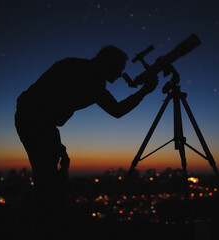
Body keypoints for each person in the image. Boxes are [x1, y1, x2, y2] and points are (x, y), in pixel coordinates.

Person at [15, 46, 158, 204]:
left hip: (40, 122)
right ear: (108, 63)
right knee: (47, 177)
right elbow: (117, 110)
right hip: (36, 121)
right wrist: (145, 91)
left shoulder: (80, 70)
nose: (119, 75)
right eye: (118, 69)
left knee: (50, 173)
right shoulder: (91, 80)